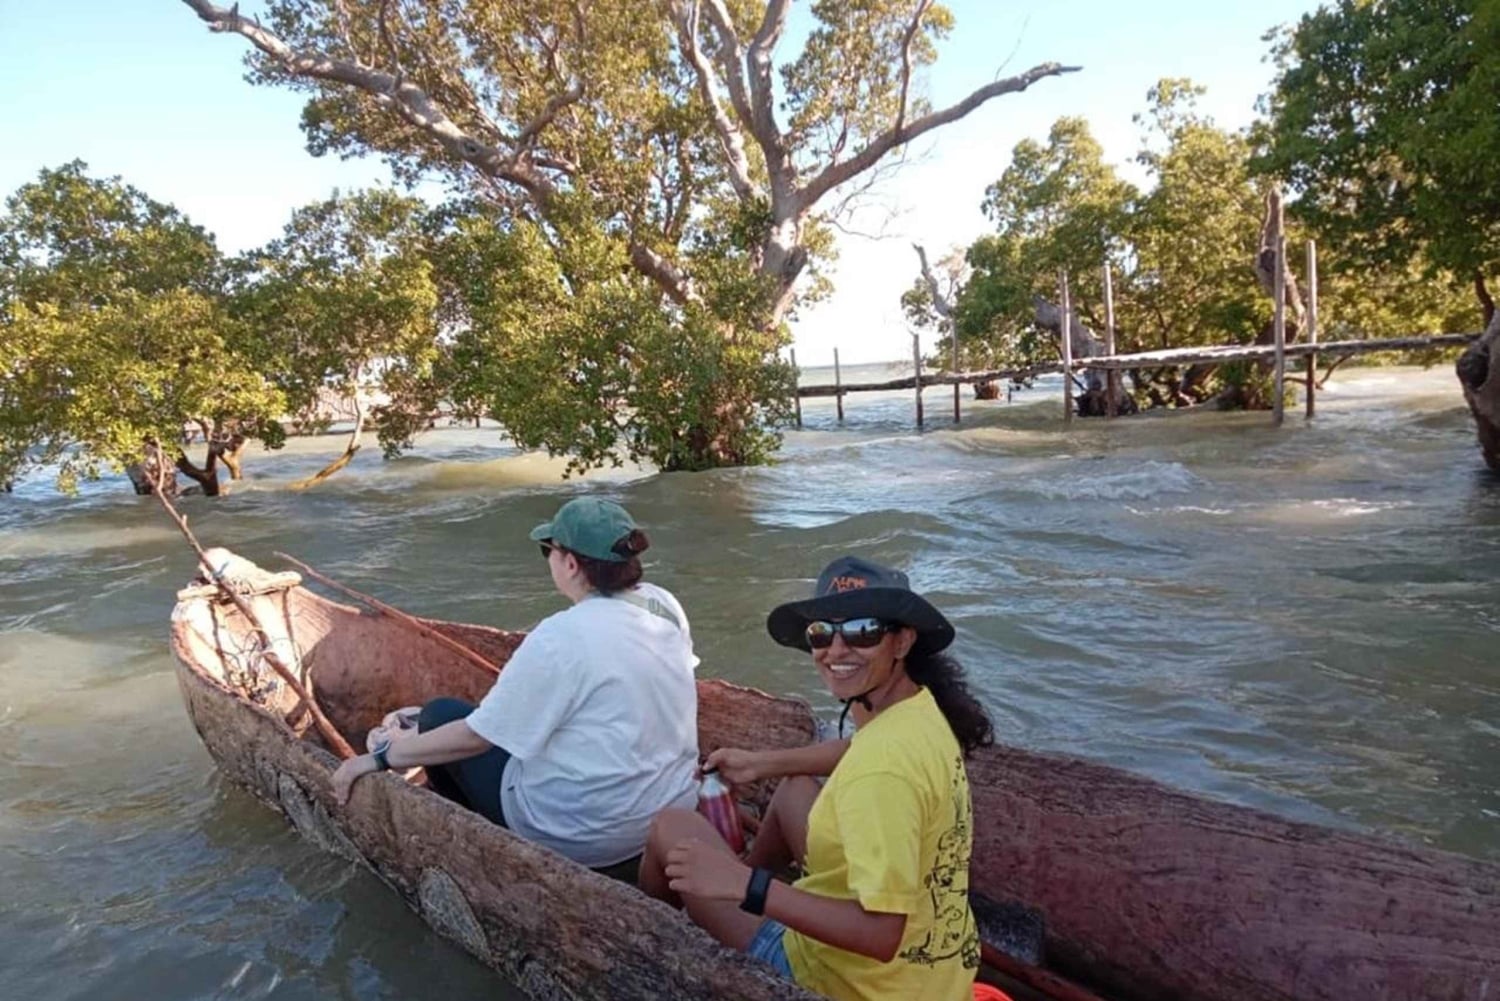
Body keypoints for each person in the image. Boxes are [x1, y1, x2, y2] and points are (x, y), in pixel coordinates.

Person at [639, 555, 993, 1001]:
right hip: (935, 975)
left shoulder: (881, 773)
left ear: (901, 641)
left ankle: (651, 943)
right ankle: (738, 881)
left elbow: (881, 934)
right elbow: (857, 752)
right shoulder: (919, 711)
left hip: (852, 982)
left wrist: (745, 886)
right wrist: (763, 764)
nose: (837, 650)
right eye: (821, 633)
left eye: (862, 631)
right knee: (795, 788)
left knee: (670, 827)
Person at [332, 496, 700, 875]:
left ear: (570, 564)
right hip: (674, 807)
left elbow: (475, 738)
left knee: (439, 715)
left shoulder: (561, 636)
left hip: (585, 836)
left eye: (549, 551)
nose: (549, 561)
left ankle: (483, 846)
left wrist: (379, 758)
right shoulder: (663, 604)